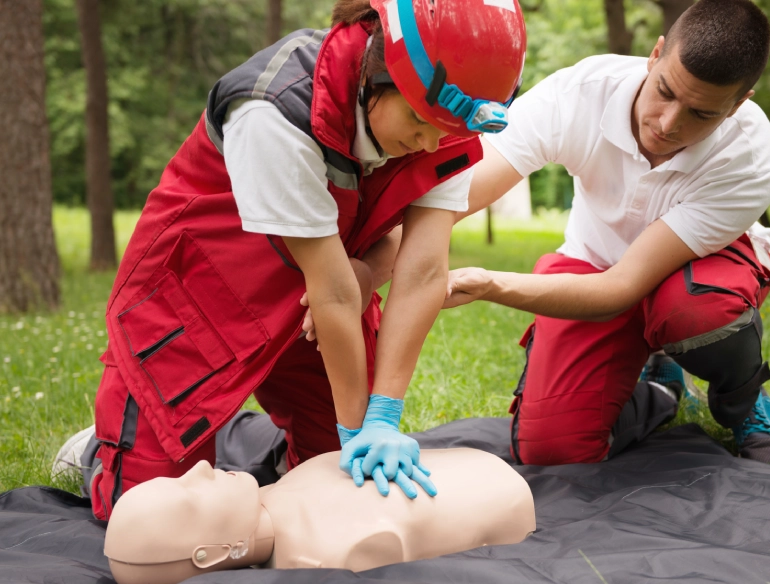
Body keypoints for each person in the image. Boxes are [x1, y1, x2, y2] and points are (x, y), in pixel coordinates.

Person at [75, 0, 526, 520]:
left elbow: (423, 268)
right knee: (151, 518)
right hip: (196, 303)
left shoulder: (450, 116)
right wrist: (357, 428)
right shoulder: (273, 110)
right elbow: (333, 290)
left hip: (315, 312)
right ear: (378, 71)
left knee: (339, 482)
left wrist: (382, 418)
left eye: (444, 132)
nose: (428, 144)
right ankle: (96, 452)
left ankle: (256, 450)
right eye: (418, 121)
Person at [444, 0, 770, 467]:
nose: (668, 123)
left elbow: (622, 288)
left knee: (695, 310)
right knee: (551, 449)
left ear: (738, 105)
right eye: (665, 91)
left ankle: (741, 399)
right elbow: (453, 199)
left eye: (701, 114)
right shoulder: (579, 93)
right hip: (595, 262)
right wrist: (368, 259)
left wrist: (487, 283)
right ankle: (660, 389)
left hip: (695, 274)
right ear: (654, 55)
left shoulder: (750, 158)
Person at [104, 449, 536, 584]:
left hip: (487, 478)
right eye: (189, 497)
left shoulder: (280, 492)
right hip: (505, 501)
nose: (198, 467)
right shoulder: (327, 551)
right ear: (208, 555)